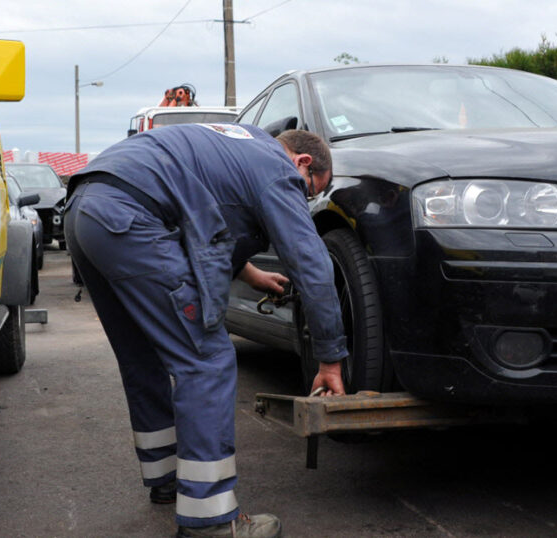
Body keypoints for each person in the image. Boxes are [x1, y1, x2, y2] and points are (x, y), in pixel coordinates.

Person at [64, 125, 348, 538]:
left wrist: (247, 273)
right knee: (207, 361)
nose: (301, 198)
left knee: (142, 354)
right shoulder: (277, 168)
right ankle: (211, 521)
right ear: (303, 162)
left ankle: (166, 478)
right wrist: (331, 357)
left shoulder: (239, 144)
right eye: (309, 191)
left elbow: (204, 218)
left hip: (86, 212)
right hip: (129, 219)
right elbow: (312, 266)